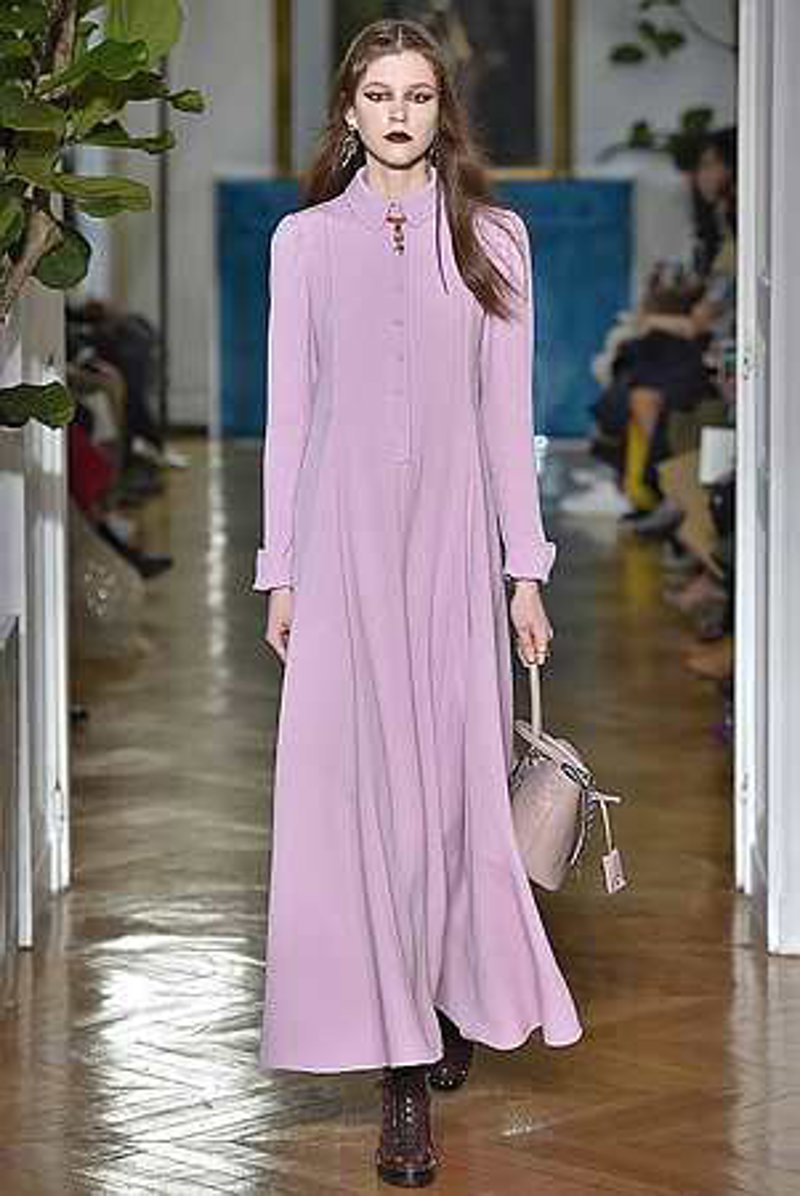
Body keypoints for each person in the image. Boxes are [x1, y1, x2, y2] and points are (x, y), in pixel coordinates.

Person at [252, 18, 582, 1188]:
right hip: (341, 548)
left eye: (418, 95)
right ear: (348, 110)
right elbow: (289, 415)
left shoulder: (493, 238)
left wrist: (523, 567)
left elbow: (505, 416)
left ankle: (443, 995)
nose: (397, 114)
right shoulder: (304, 243)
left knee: (448, 789)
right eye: (378, 95)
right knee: (362, 795)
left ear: (442, 110)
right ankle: (397, 1072)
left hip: (449, 547)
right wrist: (280, 566)